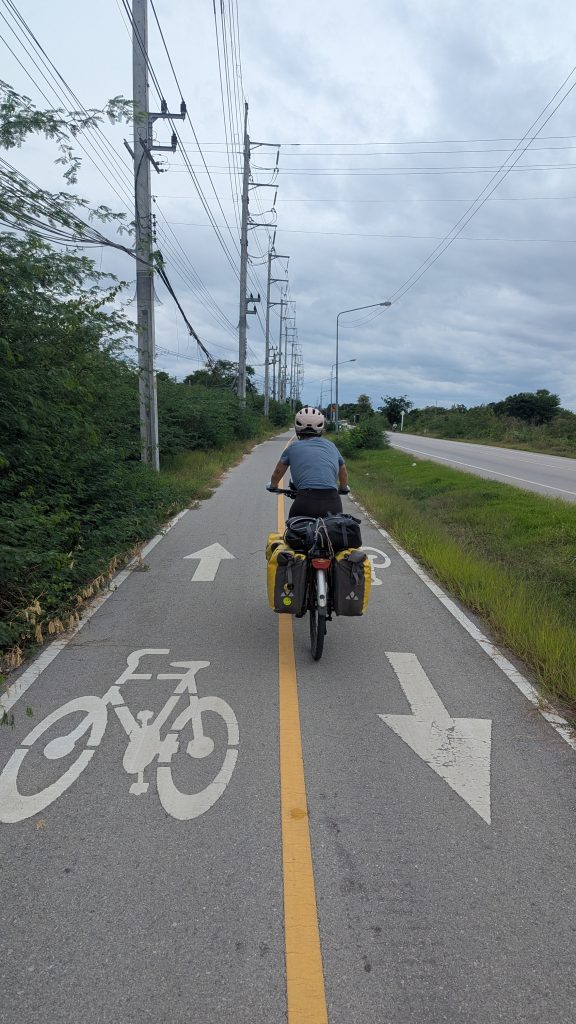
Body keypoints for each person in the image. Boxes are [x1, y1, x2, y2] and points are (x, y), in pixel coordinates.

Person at [267, 406, 349, 517]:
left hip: (305, 502)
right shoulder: (331, 446)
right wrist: (343, 488)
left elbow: (278, 472)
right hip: (333, 502)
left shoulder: (293, 447)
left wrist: (273, 485)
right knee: (334, 530)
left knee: (293, 530)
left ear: (297, 428)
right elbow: (343, 470)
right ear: (321, 428)